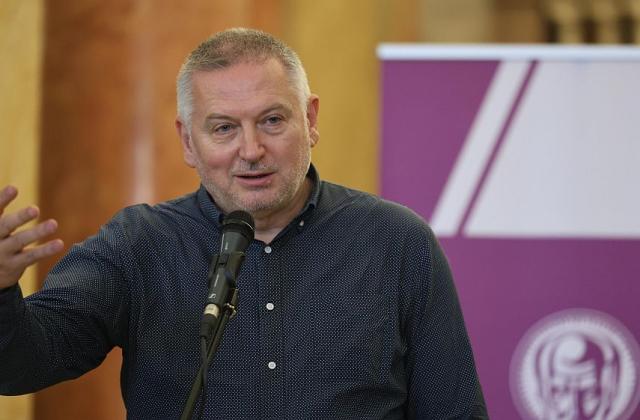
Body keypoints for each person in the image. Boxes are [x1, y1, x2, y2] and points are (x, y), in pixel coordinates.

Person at [0, 28, 488, 419]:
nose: (251, 150)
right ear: (188, 141)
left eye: (272, 121)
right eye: (224, 128)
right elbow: (23, 366)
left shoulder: (396, 242)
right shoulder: (138, 244)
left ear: (310, 119)